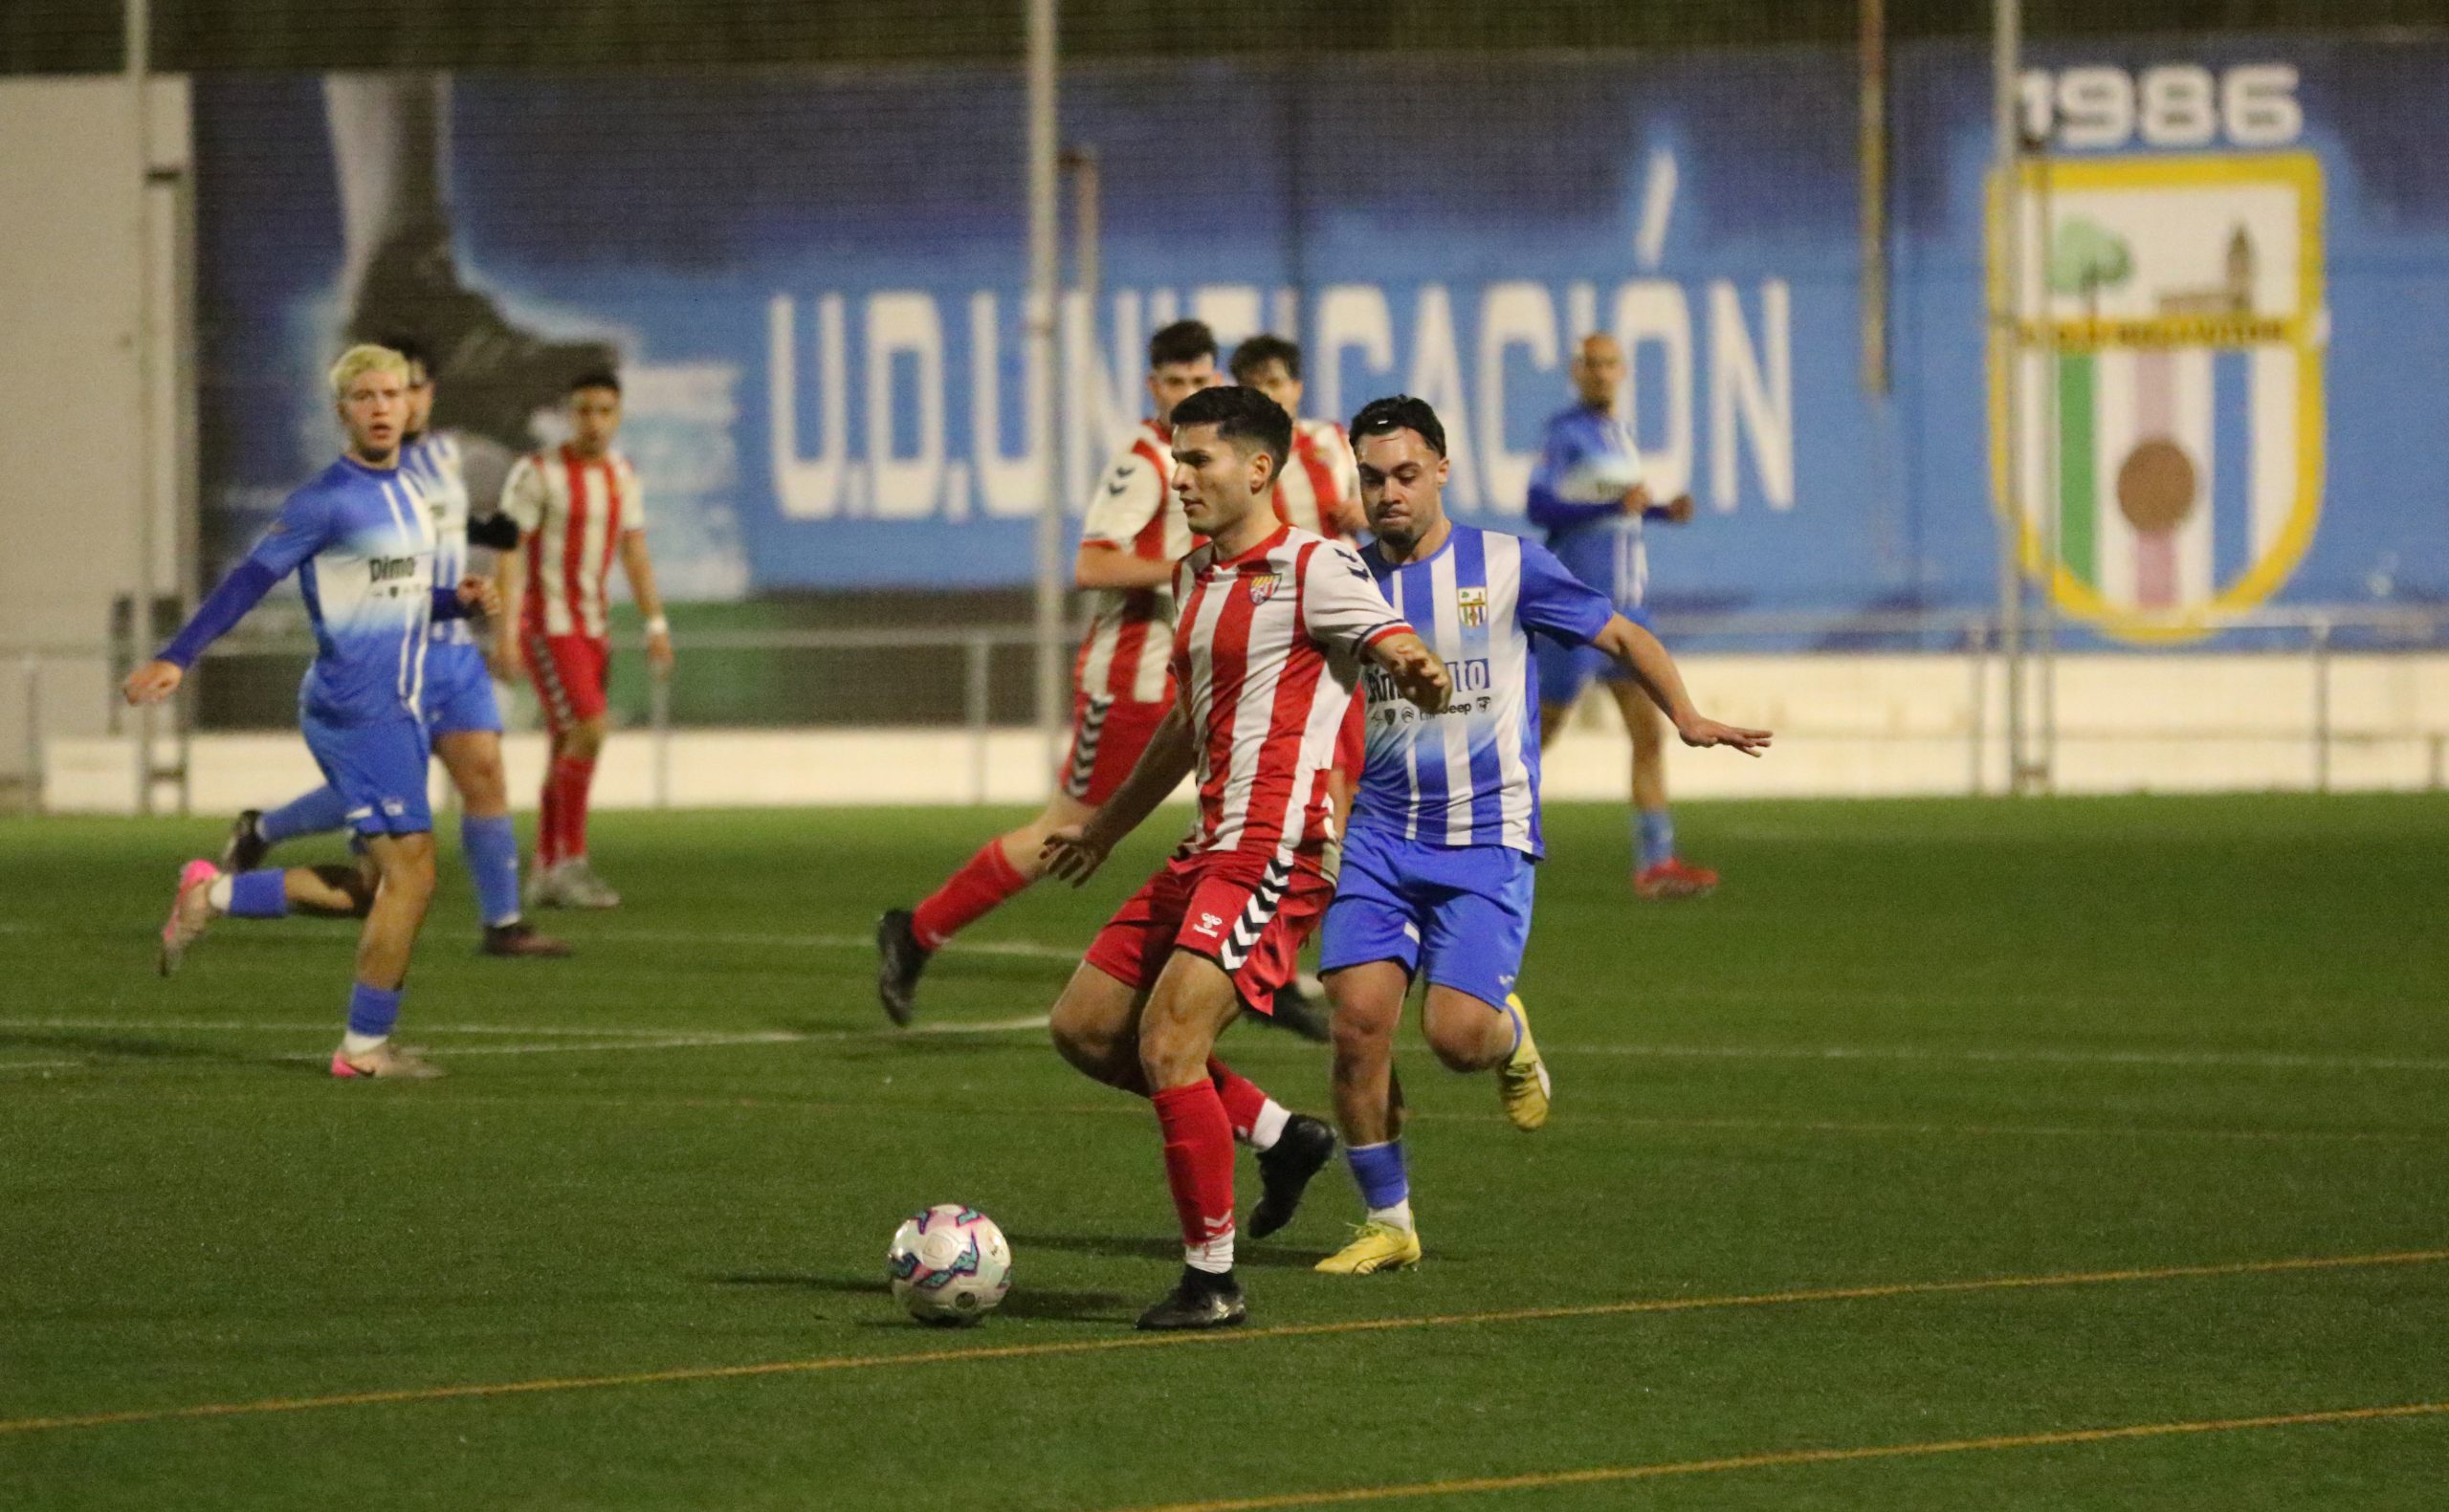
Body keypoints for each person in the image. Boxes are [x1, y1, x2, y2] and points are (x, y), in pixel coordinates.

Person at [1313, 397, 1772, 1276]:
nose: (1389, 493)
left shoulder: (1509, 564)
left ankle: (1509, 1034)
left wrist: (1686, 715)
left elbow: (1621, 631)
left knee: (1456, 1039)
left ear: (1442, 471)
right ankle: (1388, 1220)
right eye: (1372, 478)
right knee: (1358, 1026)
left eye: (1406, 474)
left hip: (1487, 836)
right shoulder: (1344, 581)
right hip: (1379, 836)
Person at [1037, 384, 1453, 1330]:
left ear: (1258, 468)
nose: (1179, 478)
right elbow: (1187, 727)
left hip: (1278, 850)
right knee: (1085, 1029)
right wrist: (1104, 828)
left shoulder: (1314, 564)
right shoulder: (1194, 576)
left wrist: (1416, 667)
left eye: (1197, 461)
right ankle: (1279, 1135)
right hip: (1206, 847)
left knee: (1168, 1042)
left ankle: (1212, 1280)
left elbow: (1392, 643)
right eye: (1176, 460)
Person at [127, 343, 496, 1080]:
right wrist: (178, 655)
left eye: (392, 394)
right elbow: (247, 580)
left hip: (397, 706)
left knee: (369, 889)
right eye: (365, 397)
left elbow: (391, 595)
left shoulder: (410, 492)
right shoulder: (323, 499)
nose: (381, 407)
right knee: (414, 877)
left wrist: (456, 601)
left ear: (411, 404)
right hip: (358, 708)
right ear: (342, 411)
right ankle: (362, 1050)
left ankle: (212, 892)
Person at [873, 321, 1221, 1024]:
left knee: (1238, 812)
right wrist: (1187, 571)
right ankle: (918, 931)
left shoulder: (1206, 455)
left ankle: (1234, 962)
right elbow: (1092, 563)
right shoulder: (1143, 463)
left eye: (1200, 381)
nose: (1188, 393)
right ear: (1152, 386)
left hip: (1190, 676)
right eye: (1175, 382)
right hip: (1130, 681)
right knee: (1065, 830)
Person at [219, 338, 567, 958]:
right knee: (379, 822)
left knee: (485, 773)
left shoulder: (453, 460)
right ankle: (261, 833)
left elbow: (491, 534)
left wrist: (500, 618)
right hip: (390, 657)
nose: (404, 401)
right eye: (385, 391)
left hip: (454, 653)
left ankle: (504, 923)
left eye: (414, 388)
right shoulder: (361, 479)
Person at [1529, 333, 1717, 899]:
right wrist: (1615, 503)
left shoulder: (1620, 433)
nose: (1600, 373)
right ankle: (1480, 830)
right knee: (1539, 732)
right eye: (1591, 364)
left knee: (1650, 732)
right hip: (1580, 608)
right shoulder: (1564, 433)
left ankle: (1656, 863)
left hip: (1629, 609)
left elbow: (1615, 517)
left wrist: (1659, 512)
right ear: (1576, 370)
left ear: (1623, 371)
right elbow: (1540, 507)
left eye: (1609, 364)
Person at [495, 369, 673, 908]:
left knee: (566, 744)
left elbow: (634, 552)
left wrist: (656, 623)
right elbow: (509, 550)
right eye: (583, 410)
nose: (593, 421)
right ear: (568, 415)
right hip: (550, 628)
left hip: (595, 629)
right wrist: (506, 630)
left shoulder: (622, 474)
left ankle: (546, 870)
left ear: (618, 415)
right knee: (592, 728)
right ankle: (570, 861)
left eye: (604, 411)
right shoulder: (538, 472)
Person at [1228, 334, 1364, 540]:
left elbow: (1380, 505)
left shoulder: (1333, 437)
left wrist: (1367, 513)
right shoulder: (1229, 457)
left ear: (1297, 389)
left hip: (1342, 561)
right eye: (1253, 386)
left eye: (1274, 383)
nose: (1265, 394)